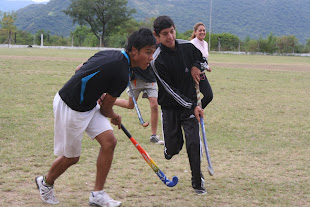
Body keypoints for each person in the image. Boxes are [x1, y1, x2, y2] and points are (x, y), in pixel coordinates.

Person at [35, 28, 157, 206]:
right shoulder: (122, 73)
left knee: (109, 142)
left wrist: (97, 90)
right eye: (148, 52)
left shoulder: (111, 54)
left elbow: (79, 69)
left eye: (153, 53)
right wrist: (115, 116)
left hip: (88, 104)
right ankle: (45, 183)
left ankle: (97, 195)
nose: (151, 58)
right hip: (71, 106)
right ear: (134, 51)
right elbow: (107, 109)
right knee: (71, 157)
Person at [151, 16, 207, 195]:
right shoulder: (156, 59)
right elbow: (170, 90)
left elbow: (204, 61)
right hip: (170, 106)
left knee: (193, 142)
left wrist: (196, 66)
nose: (170, 37)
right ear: (157, 36)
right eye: (165, 34)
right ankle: (171, 148)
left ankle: (197, 181)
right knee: (174, 148)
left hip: (189, 104)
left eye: (172, 31)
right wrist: (192, 106)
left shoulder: (188, 47)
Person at [114, 66, 164, 145]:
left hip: (150, 80)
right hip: (135, 80)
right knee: (130, 105)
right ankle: (109, 100)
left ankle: (153, 136)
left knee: (154, 105)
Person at [190, 22, 213, 109]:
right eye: (200, 30)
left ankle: (197, 112)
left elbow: (203, 59)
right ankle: (192, 115)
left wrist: (207, 67)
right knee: (192, 97)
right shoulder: (192, 44)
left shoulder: (205, 43)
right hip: (193, 75)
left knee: (209, 95)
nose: (202, 32)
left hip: (202, 74)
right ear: (195, 32)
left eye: (204, 30)